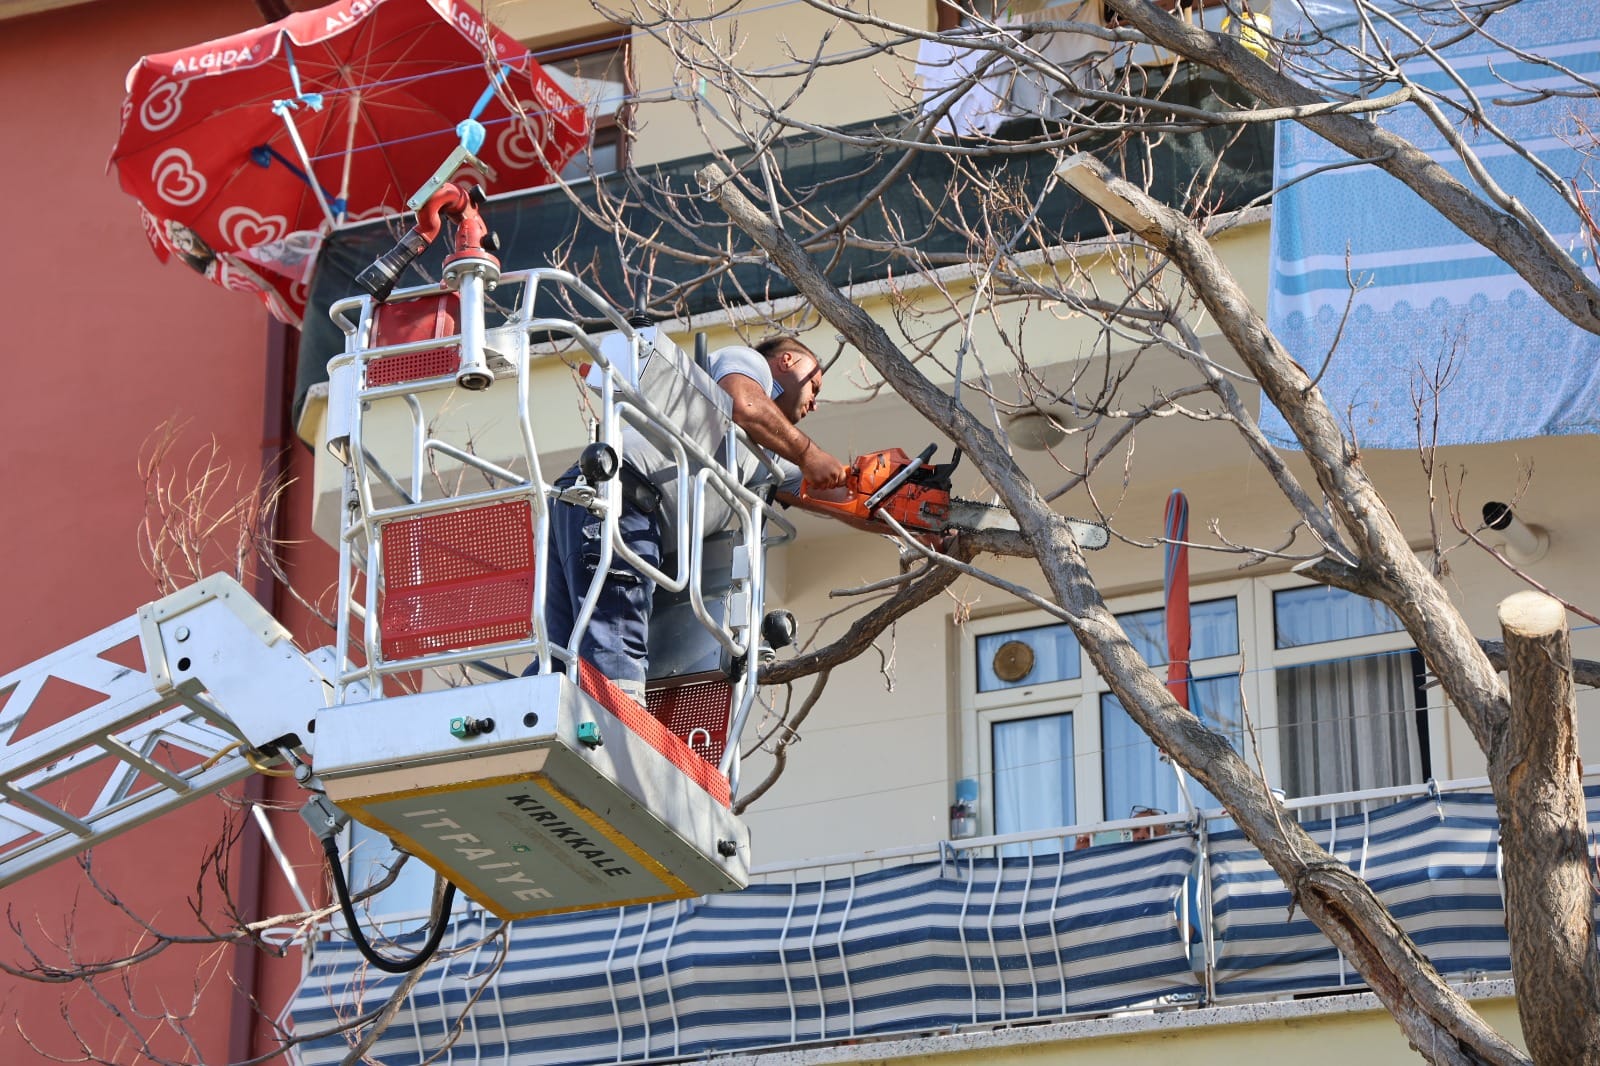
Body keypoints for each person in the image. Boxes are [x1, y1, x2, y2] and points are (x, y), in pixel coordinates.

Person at [540, 335, 849, 704]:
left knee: (560, 653)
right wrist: (808, 452)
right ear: (785, 362)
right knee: (616, 630)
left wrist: (908, 513)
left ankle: (526, 736)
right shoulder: (749, 363)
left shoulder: (762, 459)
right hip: (621, 502)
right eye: (814, 385)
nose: (814, 403)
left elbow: (837, 496)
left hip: (582, 500)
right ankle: (622, 738)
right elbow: (744, 403)